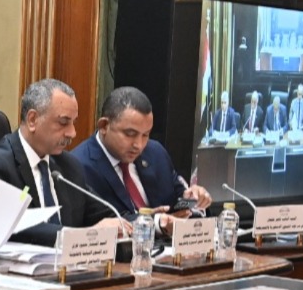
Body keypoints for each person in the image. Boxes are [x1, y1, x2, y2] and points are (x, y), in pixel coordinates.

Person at [0, 78, 129, 245]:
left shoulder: (68, 166)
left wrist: (144, 223)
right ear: (32, 120)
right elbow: (12, 226)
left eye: (73, 123)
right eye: (63, 122)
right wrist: (81, 236)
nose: (72, 133)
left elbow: (108, 215)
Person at [75, 87, 213, 222]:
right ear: (104, 126)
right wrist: (155, 222)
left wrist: (195, 199)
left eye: (145, 135)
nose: (139, 145)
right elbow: (102, 222)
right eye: (130, 134)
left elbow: (178, 201)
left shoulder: (155, 153)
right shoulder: (78, 166)